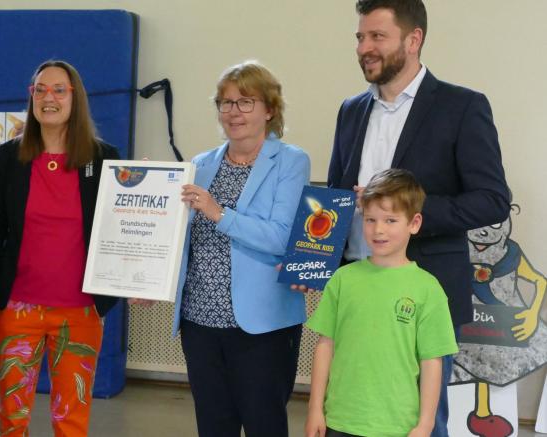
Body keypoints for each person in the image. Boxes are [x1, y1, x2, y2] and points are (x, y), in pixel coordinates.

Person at [328, 1, 510, 433]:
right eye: (360, 37)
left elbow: (492, 199)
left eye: (377, 37)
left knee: (423, 421)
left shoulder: (462, 106)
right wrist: (314, 259)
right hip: (357, 288)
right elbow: (338, 194)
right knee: (357, 413)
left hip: (426, 291)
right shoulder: (350, 110)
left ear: (414, 40)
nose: (364, 48)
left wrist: (406, 210)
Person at [0, 59, 120, 436]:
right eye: (39, 89)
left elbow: (120, 230)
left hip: (81, 312)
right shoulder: (11, 156)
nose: (48, 97)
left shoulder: (105, 158)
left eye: (59, 89)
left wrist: (134, 282)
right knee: (12, 418)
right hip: (17, 309)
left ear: (76, 98)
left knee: (71, 421)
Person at [171, 60, 310, 437]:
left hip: (262, 325)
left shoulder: (291, 161)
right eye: (225, 102)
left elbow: (281, 237)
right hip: (199, 321)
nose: (234, 112)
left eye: (246, 101)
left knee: (265, 424)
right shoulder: (199, 164)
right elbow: (182, 242)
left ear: (270, 109)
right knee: (214, 427)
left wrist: (219, 213)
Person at [305, 168, 459, 437]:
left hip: (397, 426)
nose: (378, 230)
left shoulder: (428, 289)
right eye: (370, 219)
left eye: (390, 220)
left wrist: (425, 424)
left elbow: (432, 362)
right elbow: (324, 346)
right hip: (340, 420)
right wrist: (315, 408)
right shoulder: (342, 279)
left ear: (414, 223)